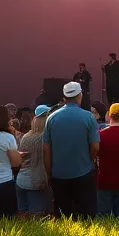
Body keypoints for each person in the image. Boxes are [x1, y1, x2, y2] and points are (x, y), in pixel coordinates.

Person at [43, 82, 100, 218]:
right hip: (83, 173)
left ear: (65, 97)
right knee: (86, 217)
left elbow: (46, 149)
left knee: (63, 217)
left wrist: (49, 173)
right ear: (80, 95)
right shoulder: (88, 117)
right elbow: (95, 147)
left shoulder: (51, 118)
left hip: (59, 175)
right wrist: (88, 160)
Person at [14, 105, 52, 217]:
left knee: (22, 214)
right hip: (37, 182)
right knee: (37, 217)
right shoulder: (45, 139)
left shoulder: (26, 136)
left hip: (21, 180)